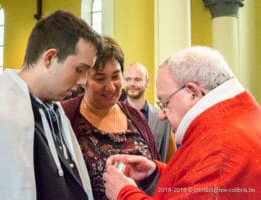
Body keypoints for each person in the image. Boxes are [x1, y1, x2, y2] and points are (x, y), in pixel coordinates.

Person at [0, 10, 102, 200]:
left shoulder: (52, 109)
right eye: (79, 69)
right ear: (50, 58)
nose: (83, 81)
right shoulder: (0, 116)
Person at [103, 46, 261, 199]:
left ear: (192, 93)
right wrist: (155, 174)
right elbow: (197, 183)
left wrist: (124, 193)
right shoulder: (233, 117)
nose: (162, 116)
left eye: (165, 103)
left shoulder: (222, 147)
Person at [61, 36, 159, 200]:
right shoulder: (66, 116)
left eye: (115, 76)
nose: (110, 86)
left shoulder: (135, 117)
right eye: (100, 78)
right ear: (84, 79)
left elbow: (157, 173)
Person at [123, 62, 175, 162]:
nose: (132, 84)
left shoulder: (162, 118)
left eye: (137, 79)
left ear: (147, 82)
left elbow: (167, 158)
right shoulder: (114, 114)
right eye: (128, 79)